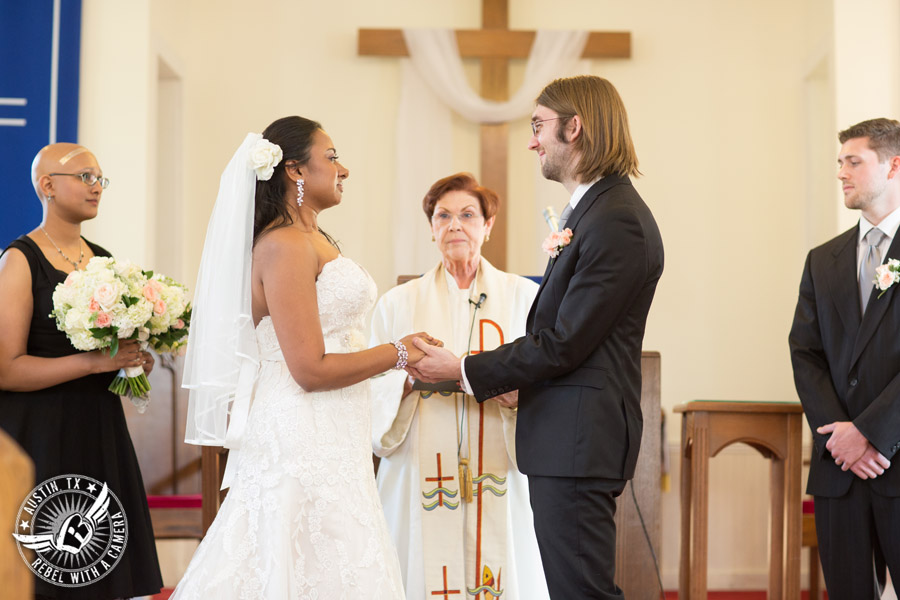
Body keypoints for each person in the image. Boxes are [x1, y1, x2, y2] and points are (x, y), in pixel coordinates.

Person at [408, 75, 664, 599]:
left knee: (581, 592)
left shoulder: (617, 220)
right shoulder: (596, 211)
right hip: (566, 436)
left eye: (538, 126)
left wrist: (460, 370)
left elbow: (565, 340)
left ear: (575, 127)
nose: (532, 141)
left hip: (579, 437)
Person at [173, 116, 436, 599]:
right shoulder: (284, 245)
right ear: (294, 170)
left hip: (332, 428)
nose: (345, 169)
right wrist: (397, 352)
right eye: (332, 157)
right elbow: (310, 369)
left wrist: (394, 357)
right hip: (300, 430)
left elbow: (339, 344)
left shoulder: (312, 238)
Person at [369, 172, 549, 599]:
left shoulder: (525, 298)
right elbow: (369, 385)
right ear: (431, 228)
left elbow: (545, 375)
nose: (455, 225)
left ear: (487, 226)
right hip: (419, 463)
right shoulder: (397, 304)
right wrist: (408, 383)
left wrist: (500, 386)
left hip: (502, 459)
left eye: (468, 215)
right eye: (443, 215)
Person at [0, 143, 162, 599]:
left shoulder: (105, 260)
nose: (97, 188)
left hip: (99, 430)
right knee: (48, 568)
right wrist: (94, 362)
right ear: (47, 185)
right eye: (85, 177)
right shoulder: (20, 260)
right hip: (40, 433)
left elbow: (110, 356)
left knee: (99, 567)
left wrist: (133, 361)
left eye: (101, 179)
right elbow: (6, 370)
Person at [789, 118, 900, 598]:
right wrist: (842, 437)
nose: (841, 173)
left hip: (895, 458)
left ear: (894, 166)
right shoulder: (822, 260)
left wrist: (873, 434)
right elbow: (805, 353)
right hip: (839, 468)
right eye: (840, 163)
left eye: (854, 161)